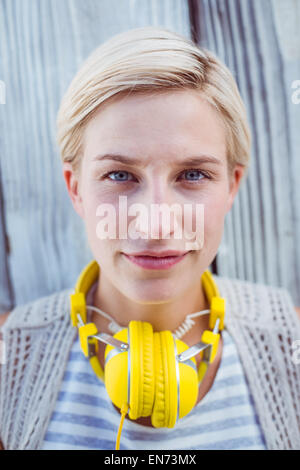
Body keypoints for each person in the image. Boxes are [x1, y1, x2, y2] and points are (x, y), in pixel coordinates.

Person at [0, 26, 300, 451]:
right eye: (119, 175)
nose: (155, 225)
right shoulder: (9, 360)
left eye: (192, 174)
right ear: (76, 188)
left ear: (232, 186)